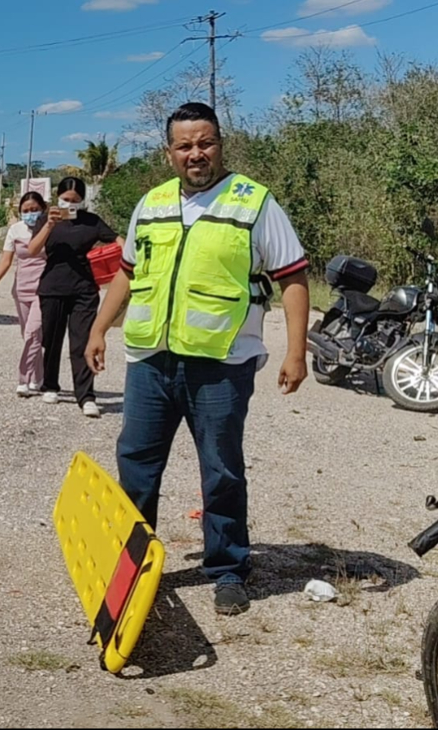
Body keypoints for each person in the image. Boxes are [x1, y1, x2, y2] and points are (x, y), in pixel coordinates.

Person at [84, 102, 310, 616]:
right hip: (151, 362)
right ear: (169, 153)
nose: (196, 153)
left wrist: (296, 353)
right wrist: (99, 329)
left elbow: (292, 276)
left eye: (205, 142)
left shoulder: (253, 203)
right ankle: (131, 566)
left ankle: (228, 569)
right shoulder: (153, 203)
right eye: (185, 145)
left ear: (220, 145)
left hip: (220, 365)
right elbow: (126, 272)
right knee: (136, 465)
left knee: (221, 469)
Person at [27, 177, 124, 417]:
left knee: (82, 342)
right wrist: (49, 225)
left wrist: (131, 253)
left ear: (83, 201)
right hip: (52, 288)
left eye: (75, 201)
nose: (69, 204)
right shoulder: (46, 218)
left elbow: (117, 239)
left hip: (84, 290)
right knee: (52, 339)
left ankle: (86, 396)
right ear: (57, 197)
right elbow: (32, 250)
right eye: (66, 199)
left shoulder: (92, 222)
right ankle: (50, 384)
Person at [0, 192, 49, 397]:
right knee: (30, 337)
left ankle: (23, 379)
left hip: (45, 289)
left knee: (33, 333)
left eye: (34, 210)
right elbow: (6, 259)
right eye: (26, 211)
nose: (30, 214)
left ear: (43, 209)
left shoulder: (49, 229)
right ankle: (38, 378)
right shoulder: (15, 230)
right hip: (21, 289)